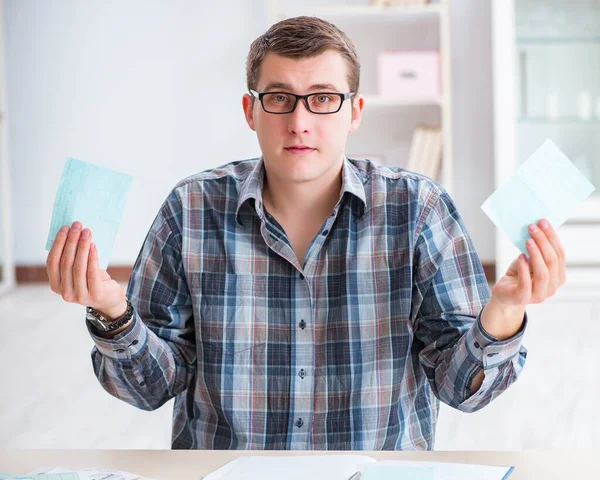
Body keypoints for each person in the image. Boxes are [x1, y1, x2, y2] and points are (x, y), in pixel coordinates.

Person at [47, 16, 566, 450]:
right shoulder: (191, 208)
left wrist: (502, 312)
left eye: (323, 99)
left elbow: (463, 392)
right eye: (279, 98)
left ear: (354, 112)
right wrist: (113, 312)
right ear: (251, 111)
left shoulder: (419, 209)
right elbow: (150, 389)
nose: (299, 121)